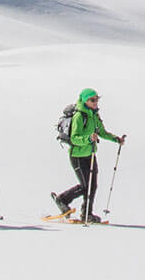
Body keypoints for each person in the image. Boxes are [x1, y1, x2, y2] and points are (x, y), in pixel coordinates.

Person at [53, 88, 124, 223]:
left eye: (97, 99)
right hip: (77, 156)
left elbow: (102, 132)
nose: (95, 102)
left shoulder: (94, 115)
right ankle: (64, 200)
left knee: (93, 185)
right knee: (86, 186)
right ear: (85, 101)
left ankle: (86, 213)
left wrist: (116, 139)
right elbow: (74, 138)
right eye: (92, 100)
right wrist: (88, 139)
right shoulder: (80, 116)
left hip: (90, 154)